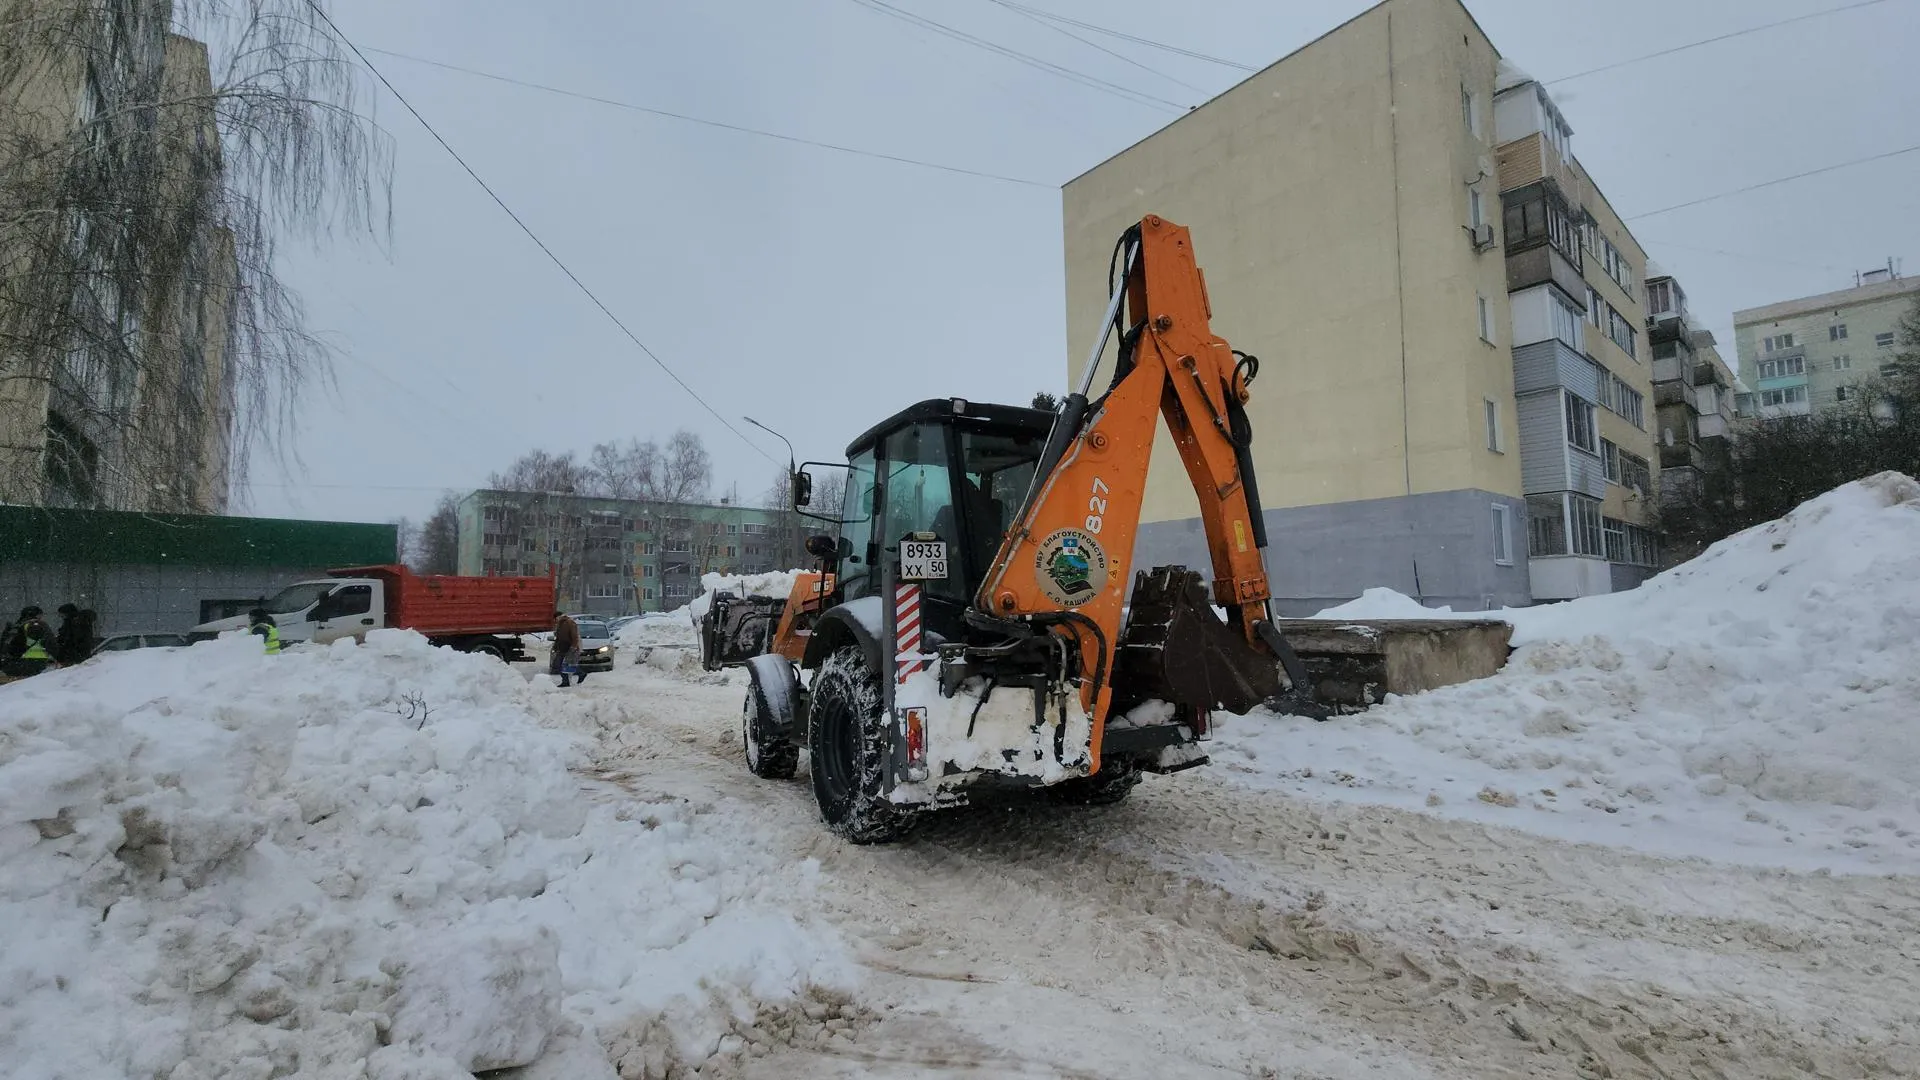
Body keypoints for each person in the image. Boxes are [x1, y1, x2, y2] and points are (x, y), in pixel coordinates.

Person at [2, 606, 56, 677]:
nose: (41, 617)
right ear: (35, 615)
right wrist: (59, 657)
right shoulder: (37, 625)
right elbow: (50, 642)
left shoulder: (15, 627)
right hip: (34, 662)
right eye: (40, 615)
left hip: (12, 663)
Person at [550, 611, 580, 687]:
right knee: (560, 665)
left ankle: (580, 674)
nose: (555, 621)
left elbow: (574, 636)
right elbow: (559, 637)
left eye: (556, 619)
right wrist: (555, 647)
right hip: (562, 647)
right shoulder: (560, 624)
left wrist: (573, 647)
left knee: (565, 665)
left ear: (559, 617)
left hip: (568, 647)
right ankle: (566, 681)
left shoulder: (570, 623)